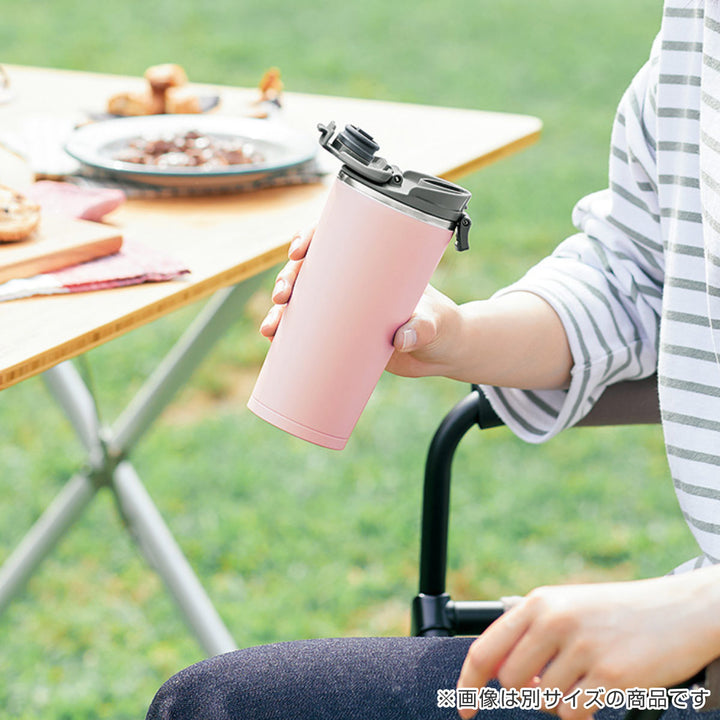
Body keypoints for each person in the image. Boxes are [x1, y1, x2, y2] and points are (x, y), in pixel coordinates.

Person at [145, 1, 720, 718]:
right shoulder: (695, 28)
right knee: (219, 704)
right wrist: (455, 335)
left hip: (693, 650)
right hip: (687, 652)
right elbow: (636, 275)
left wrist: (703, 609)